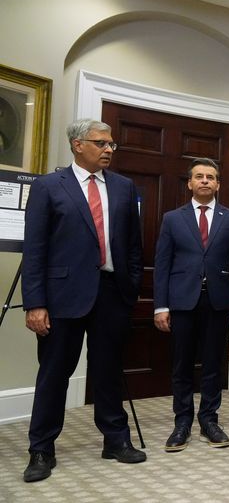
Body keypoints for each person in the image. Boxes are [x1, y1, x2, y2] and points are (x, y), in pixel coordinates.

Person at [21, 119, 144, 482]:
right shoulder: (48, 186)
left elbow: (133, 245)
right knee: (54, 374)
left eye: (111, 144)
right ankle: (41, 449)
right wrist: (35, 303)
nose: (108, 149)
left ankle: (116, 440)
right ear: (77, 145)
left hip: (111, 294)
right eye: (100, 143)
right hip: (62, 296)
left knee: (108, 371)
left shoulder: (123, 187)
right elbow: (35, 249)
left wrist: (130, 288)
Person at [153, 158, 229, 452]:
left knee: (212, 364)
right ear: (190, 183)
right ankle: (182, 423)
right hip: (182, 301)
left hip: (218, 301)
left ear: (218, 184)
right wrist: (160, 306)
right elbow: (162, 264)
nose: (205, 180)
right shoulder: (172, 219)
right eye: (199, 176)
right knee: (181, 365)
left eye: (210, 177)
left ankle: (209, 420)